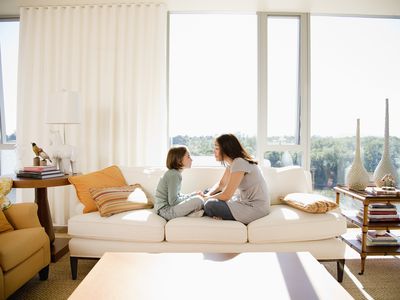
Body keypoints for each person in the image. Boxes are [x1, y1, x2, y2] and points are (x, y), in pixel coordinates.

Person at [203, 134, 270, 224]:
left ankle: (200, 207)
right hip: (245, 202)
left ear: (226, 148)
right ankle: (204, 206)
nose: (214, 151)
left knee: (210, 205)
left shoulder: (239, 162)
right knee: (207, 191)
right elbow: (221, 184)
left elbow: (226, 195)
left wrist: (205, 199)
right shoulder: (233, 163)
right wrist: (208, 195)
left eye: (217, 148)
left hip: (256, 208)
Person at [155, 145, 204, 221]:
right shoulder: (173, 174)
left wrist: (193, 194)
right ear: (179, 160)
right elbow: (173, 201)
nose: (191, 159)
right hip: (165, 212)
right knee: (199, 200)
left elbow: (177, 196)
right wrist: (193, 197)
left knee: (198, 197)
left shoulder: (174, 173)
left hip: (165, 210)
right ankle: (191, 213)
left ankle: (190, 213)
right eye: (188, 156)